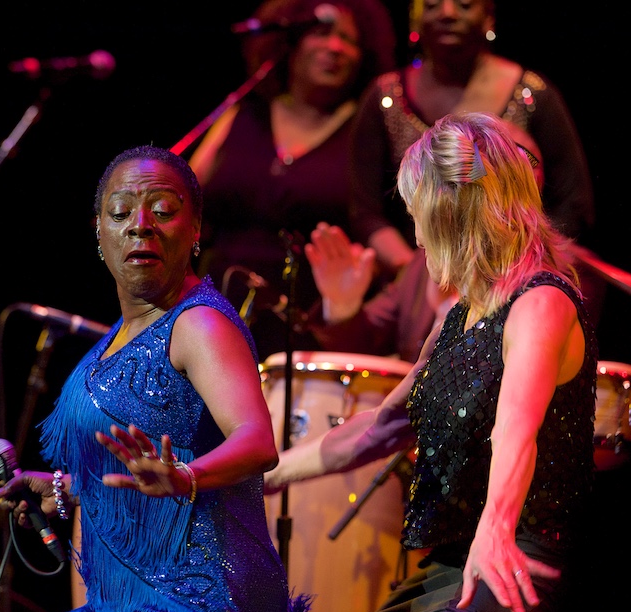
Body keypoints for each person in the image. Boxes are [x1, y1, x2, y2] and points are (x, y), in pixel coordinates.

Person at [264, 112, 598, 612]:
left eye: (416, 213)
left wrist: (495, 531)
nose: (414, 234)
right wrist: (259, 475)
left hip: (529, 552)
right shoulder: (461, 316)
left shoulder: (541, 303)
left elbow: (515, 430)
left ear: (448, 214)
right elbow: (383, 426)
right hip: (460, 555)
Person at [0, 146, 321, 612]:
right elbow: (145, 470)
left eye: (164, 211)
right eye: (121, 212)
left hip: (198, 611)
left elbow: (257, 441)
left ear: (195, 231)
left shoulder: (199, 323)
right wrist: (64, 487)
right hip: (124, 607)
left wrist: (187, 478)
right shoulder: (120, 335)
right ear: (100, 232)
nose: (140, 225)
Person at [347, 0, 603, 326]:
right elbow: (366, 208)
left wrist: (514, 258)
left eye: (465, 4)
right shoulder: (383, 95)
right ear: (414, 19)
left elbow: (573, 201)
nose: (448, 13)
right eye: (432, 4)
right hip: (419, 270)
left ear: (488, 17)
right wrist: (423, 268)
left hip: (512, 270)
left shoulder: (532, 93)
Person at [187, 0, 398, 361]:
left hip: (304, 336)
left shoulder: (368, 133)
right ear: (289, 42)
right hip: (209, 317)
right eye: (322, 32)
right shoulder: (244, 113)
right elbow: (184, 198)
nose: (335, 48)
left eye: (349, 40)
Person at [303, 119, 544, 363]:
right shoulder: (421, 269)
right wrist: (341, 306)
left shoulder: (549, 282)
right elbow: (364, 351)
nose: (419, 239)